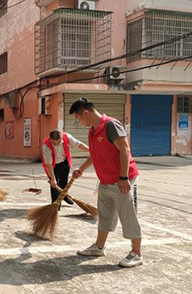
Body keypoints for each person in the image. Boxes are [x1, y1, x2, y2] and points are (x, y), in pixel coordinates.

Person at [69, 98, 142, 268]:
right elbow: (94, 155)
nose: (79, 122)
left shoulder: (111, 125)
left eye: (79, 118)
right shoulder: (93, 130)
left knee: (128, 216)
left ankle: (137, 253)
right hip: (105, 181)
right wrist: (82, 169)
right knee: (105, 216)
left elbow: (124, 149)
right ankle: (99, 247)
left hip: (123, 181)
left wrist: (123, 178)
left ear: (85, 113)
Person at [42, 129, 89, 205]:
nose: (56, 145)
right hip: (53, 165)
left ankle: (64, 196)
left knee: (64, 181)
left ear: (61, 138)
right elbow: (48, 164)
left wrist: (90, 150)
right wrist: (53, 179)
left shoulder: (67, 137)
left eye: (58, 142)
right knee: (54, 185)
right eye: (54, 143)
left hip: (64, 162)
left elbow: (79, 145)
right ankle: (55, 204)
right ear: (50, 139)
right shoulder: (46, 145)